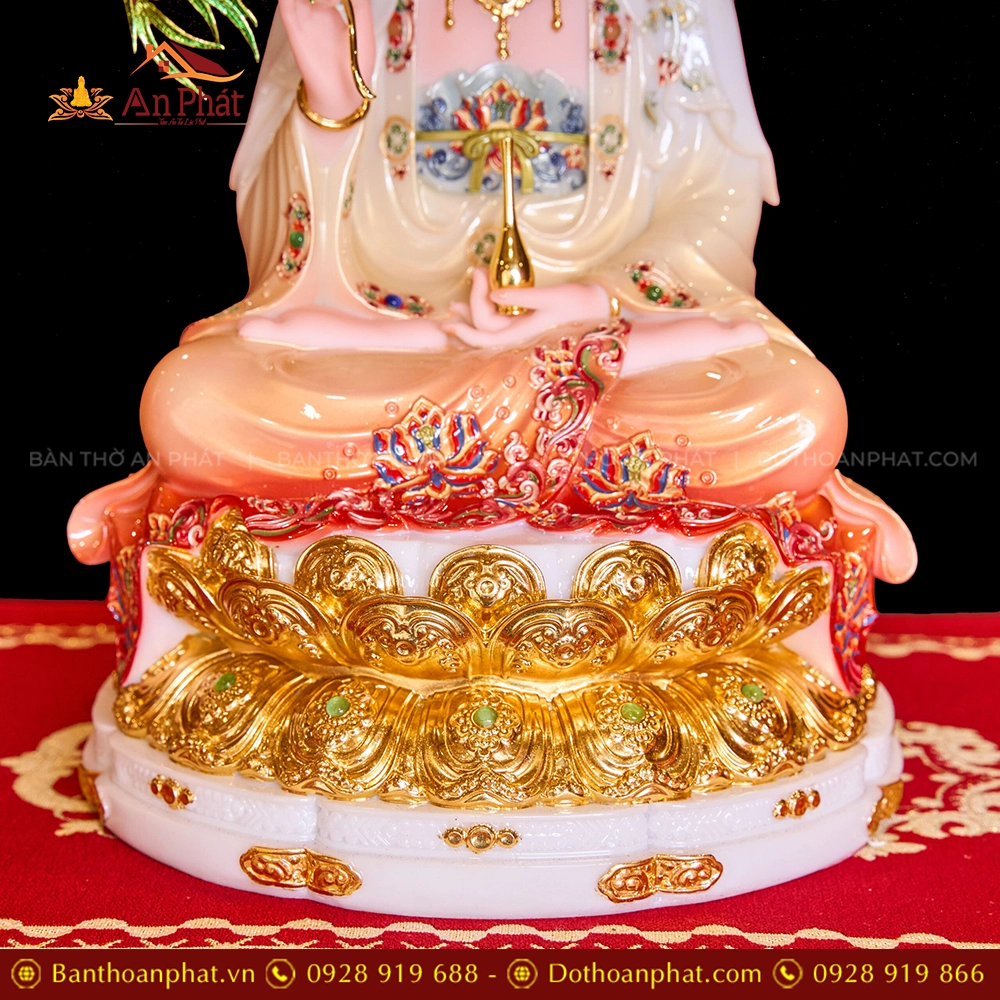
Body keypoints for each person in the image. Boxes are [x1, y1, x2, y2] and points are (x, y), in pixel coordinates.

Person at [69, 0, 915, 585]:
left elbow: (715, 214)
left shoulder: (667, 12)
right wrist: (331, 108)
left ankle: (463, 460)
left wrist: (593, 304)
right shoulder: (355, 10)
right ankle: (542, 447)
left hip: (606, 355)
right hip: (412, 352)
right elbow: (295, 273)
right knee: (193, 401)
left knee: (796, 410)